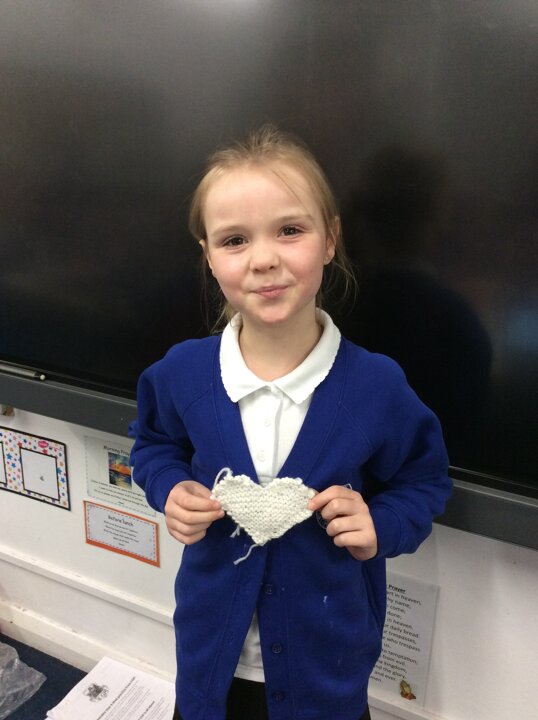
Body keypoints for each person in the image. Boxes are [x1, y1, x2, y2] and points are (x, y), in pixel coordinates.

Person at [129, 125, 452, 720]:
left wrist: (380, 523)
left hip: (327, 674)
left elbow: (424, 481)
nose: (264, 259)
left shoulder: (377, 387)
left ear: (330, 239)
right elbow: (153, 444)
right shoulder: (181, 374)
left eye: (290, 230)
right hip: (209, 668)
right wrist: (169, 488)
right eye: (234, 240)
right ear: (208, 256)